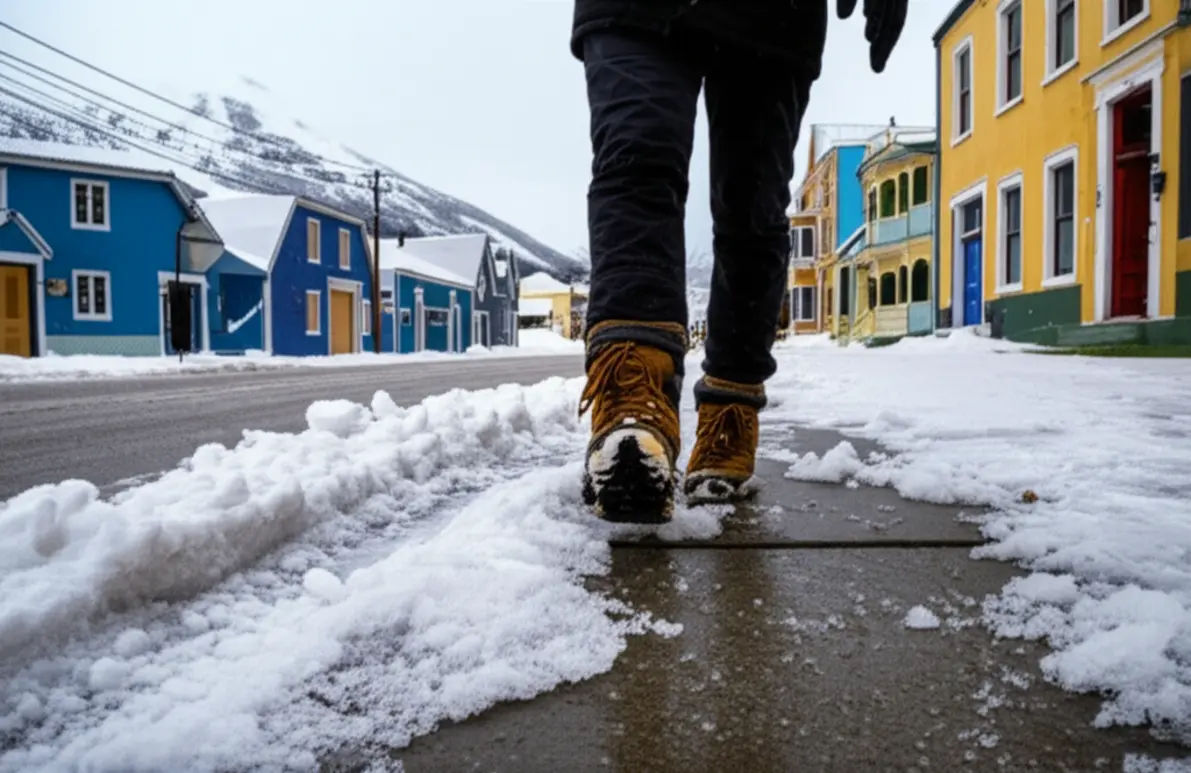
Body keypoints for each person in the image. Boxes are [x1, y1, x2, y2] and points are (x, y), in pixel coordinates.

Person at [573, 0, 907, 523]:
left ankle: (731, 411)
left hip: (774, 14)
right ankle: (632, 393)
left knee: (751, 205)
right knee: (635, 158)